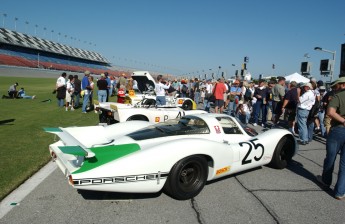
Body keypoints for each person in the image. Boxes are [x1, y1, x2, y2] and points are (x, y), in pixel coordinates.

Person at [317, 76, 345, 200]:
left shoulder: (338, 96)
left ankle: (326, 182)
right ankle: (340, 192)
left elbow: (330, 112)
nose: (334, 87)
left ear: (343, 85)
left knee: (331, 157)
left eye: (337, 85)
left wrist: (343, 120)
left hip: (338, 129)